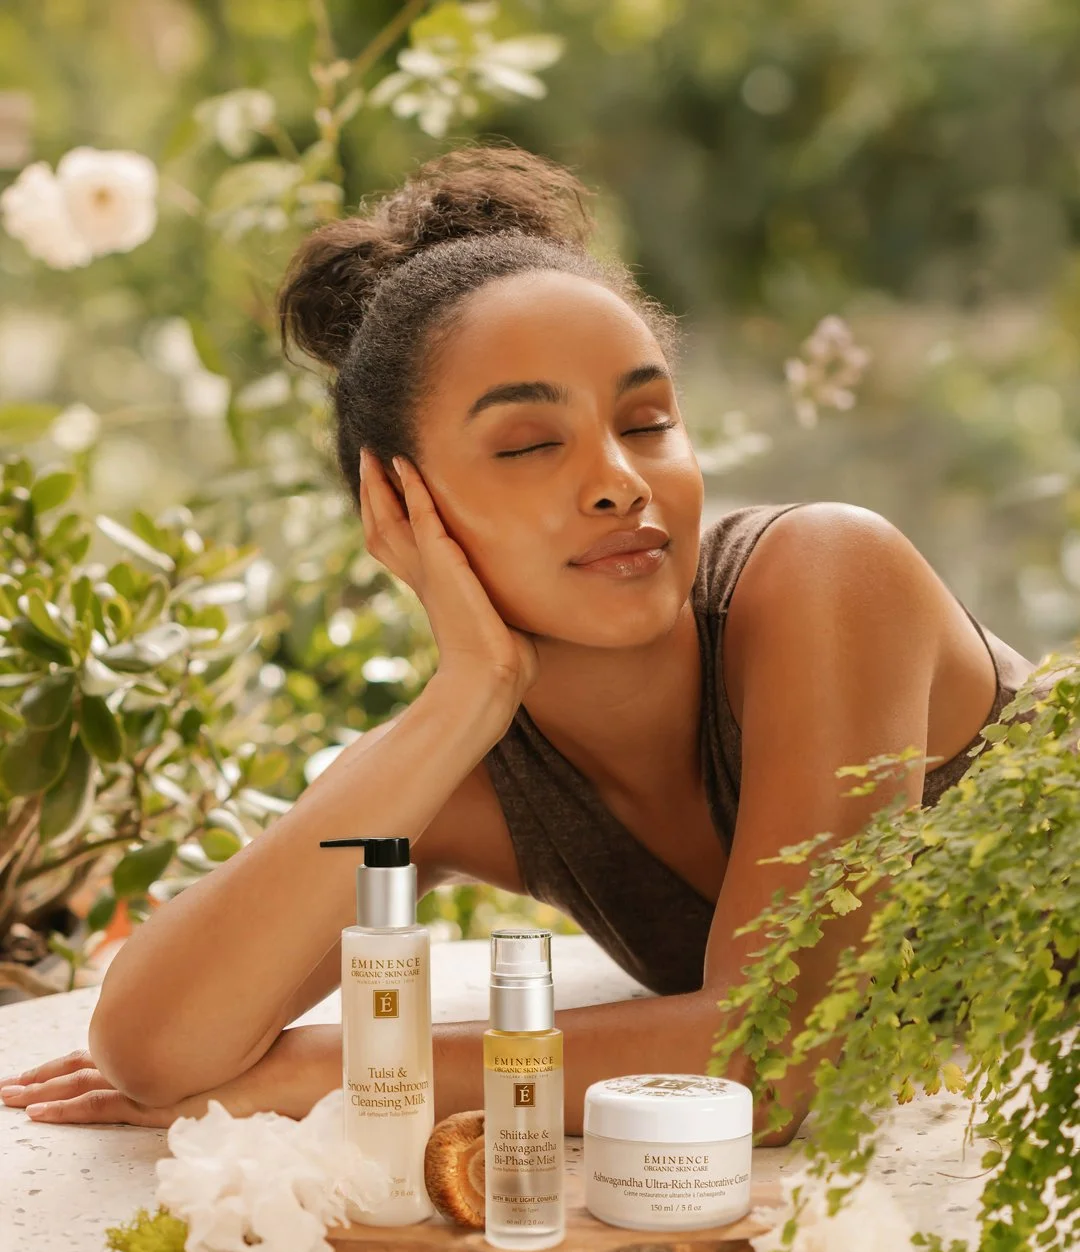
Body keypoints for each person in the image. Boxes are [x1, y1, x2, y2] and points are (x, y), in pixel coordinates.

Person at [0, 145, 1044, 1139]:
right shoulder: (474, 772)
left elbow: (772, 1060)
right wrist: (467, 696)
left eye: (645, 423)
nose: (618, 480)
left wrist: (347, 1069)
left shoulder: (827, 578)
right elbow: (152, 1046)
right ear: (398, 507)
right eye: (531, 444)